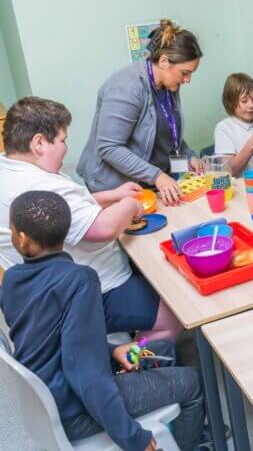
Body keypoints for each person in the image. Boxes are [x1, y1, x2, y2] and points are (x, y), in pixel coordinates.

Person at [0, 191, 204, 451]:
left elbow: (51, 341)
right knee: (191, 383)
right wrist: (133, 438)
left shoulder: (12, 280)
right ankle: (194, 444)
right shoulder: (79, 280)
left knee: (161, 351)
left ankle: (170, 431)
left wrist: (112, 350)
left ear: (21, 238)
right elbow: (86, 374)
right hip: (76, 409)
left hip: (50, 389)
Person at [0, 97, 181, 339]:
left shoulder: (10, 170)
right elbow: (103, 229)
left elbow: (61, 212)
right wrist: (130, 204)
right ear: (39, 143)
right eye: (62, 140)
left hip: (44, 295)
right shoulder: (40, 184)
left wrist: (112, 195)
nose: (66, 148)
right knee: (173, 315)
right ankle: (135, 367)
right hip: (91, 293)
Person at [77, 19, 203, 206]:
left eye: (191, 73)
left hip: (149, 185)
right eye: (184, 73)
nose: (188, 80)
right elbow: (109, 147)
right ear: (164, 62)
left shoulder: (169, 85)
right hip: (113, 187)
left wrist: (188, 154)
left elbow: (166, 130)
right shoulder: (127, 87)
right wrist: (157, 176)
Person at [214, 73, 253, 176]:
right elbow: (229, 171)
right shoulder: (223, 128)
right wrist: (252, 143)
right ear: (230, 102)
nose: (252, 105)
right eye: (244, 101)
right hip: (243, 189)